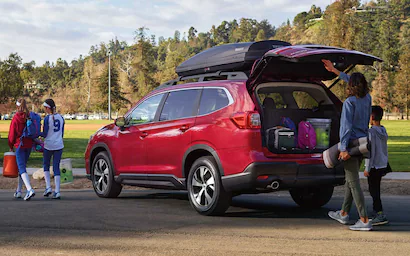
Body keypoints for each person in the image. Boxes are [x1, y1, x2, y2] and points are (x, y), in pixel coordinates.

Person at [322, 59, 372, 231]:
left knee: (354, 183)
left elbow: (346, 127)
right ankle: (343, 213)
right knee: (352, 180)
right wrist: (335, 71)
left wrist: (343, 149)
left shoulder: (350, 103)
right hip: (362, 144)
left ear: (351, 86)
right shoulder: (367, 98)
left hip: (350, 145)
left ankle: (364, 219)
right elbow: (354, 80)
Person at [364, 106, 391, 225]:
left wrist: (367, 168)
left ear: (372, 117)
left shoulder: (371, 133)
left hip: (374, 165)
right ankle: (376, 210)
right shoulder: (383, 131)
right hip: (382, 164)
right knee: (376, 189)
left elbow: (370, 152)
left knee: (373, 190)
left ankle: (380, 213)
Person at [8, 99, 35, 201]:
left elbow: (12, 134)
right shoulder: (29, 115)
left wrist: (10, 145)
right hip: (28, 144)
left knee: (21, 167)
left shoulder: (16, 118)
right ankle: (19, 190)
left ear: (17, 106)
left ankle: (29, 189)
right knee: (22, 168)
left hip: (19, 144)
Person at [41, 99, 65, 199]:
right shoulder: (61, 118)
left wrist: (37, 135)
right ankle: (58, 191)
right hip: (59, 145)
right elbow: (62, 133)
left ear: (47, 108)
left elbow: (45, 133)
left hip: (48, 145)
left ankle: (48, 187)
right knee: (56, 167)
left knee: (46, 165)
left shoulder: (47, 119)